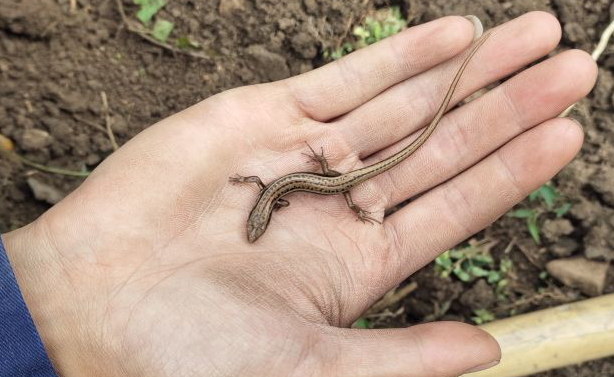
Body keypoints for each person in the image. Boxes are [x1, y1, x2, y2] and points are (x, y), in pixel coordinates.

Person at [0, 11, 597, 377]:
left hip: (333, 182)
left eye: (257, 224)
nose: (255, 227)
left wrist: (334, 184)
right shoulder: (269, 195)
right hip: (327, 182)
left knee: (396, 158)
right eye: (257, 225)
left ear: (262, 215)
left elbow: (275, 188)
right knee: (375, 170)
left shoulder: (278, 194)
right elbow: (270, 189)